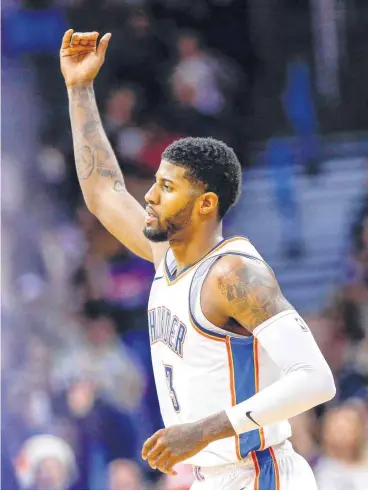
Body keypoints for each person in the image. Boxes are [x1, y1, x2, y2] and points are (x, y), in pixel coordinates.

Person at [60, 30, 336, 490]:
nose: (148, 195)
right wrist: (79, 89)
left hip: (260, 474)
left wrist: (204, 430)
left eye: (167, 188)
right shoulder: (165, 256)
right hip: (212, 477)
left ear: (206, 204)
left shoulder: (234, 274)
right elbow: (103, 190)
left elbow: (316, 380)